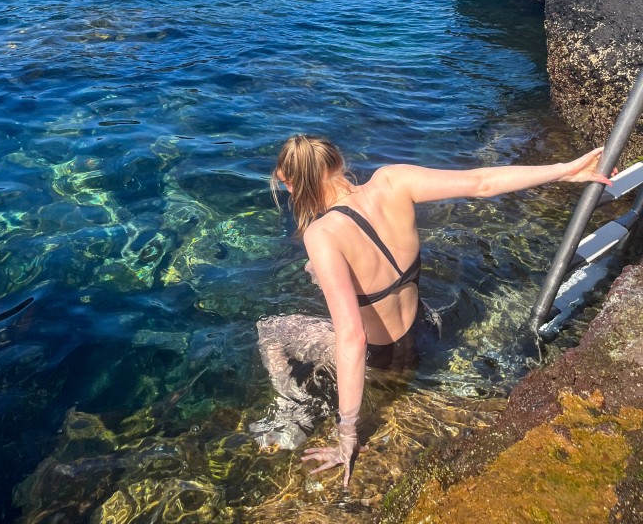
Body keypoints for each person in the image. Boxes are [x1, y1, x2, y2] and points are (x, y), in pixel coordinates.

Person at [256, 134, 610, 487]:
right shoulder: (393, 179)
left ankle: (292, 407)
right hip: (424, 328)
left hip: (381, 358)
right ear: (338, 162)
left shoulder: (323, 234)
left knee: (270, 329)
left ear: (291, 183)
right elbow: (481, 182)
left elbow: (352, 336)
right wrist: (565, 170)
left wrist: (347, 431)